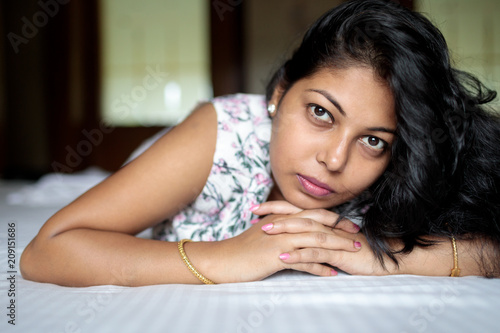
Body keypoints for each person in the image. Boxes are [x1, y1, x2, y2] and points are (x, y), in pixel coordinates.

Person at [20, 0, 500, 286]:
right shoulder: (221, 135)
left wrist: (378, 258)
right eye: (320, 113)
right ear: (279, 92)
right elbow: (47, 251)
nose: (333, 160)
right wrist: (230, 257)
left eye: (373, 140)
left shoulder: (401, 171)